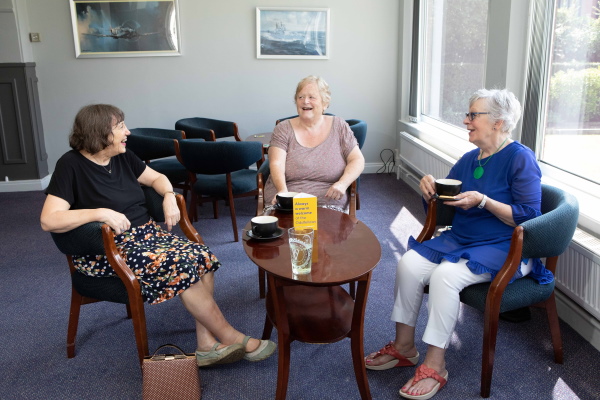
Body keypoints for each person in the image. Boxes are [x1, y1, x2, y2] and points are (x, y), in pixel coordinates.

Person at [40, 104, 276, 367]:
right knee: (182, 264)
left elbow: (157, 178)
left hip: (148, 235)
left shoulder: (122, 156)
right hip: (108, 249)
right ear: (100, 134)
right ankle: (230, 336)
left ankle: (206, 344)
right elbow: (49, 219)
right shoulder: (70, 165)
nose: (127, 132)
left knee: (202, 256)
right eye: (120, 127)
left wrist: (168, 197)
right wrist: (100, 213)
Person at [364, 89, 553, 399]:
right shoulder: (469, 159)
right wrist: (430, 192)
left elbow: (529, 217)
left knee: (445, 276)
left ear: (498, 123)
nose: (466, 120)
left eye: (472, 115)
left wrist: (485, 202)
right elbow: (446, 207)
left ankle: (436, 364)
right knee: (409, 264)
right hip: (462, 238)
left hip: (503, 244)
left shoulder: (521, 158)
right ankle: (404, 346)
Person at [264, 75, 365, 211]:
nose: (305, 101)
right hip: (289, 199)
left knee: (329, 231)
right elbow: (276, 163)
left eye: (312, 97)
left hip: (329, 199)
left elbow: (357, 159)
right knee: (283, 231)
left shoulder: (339, 126)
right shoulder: (283, 128)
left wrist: (342, 184)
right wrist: (283, 192)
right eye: (301, 97)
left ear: (325, 103)